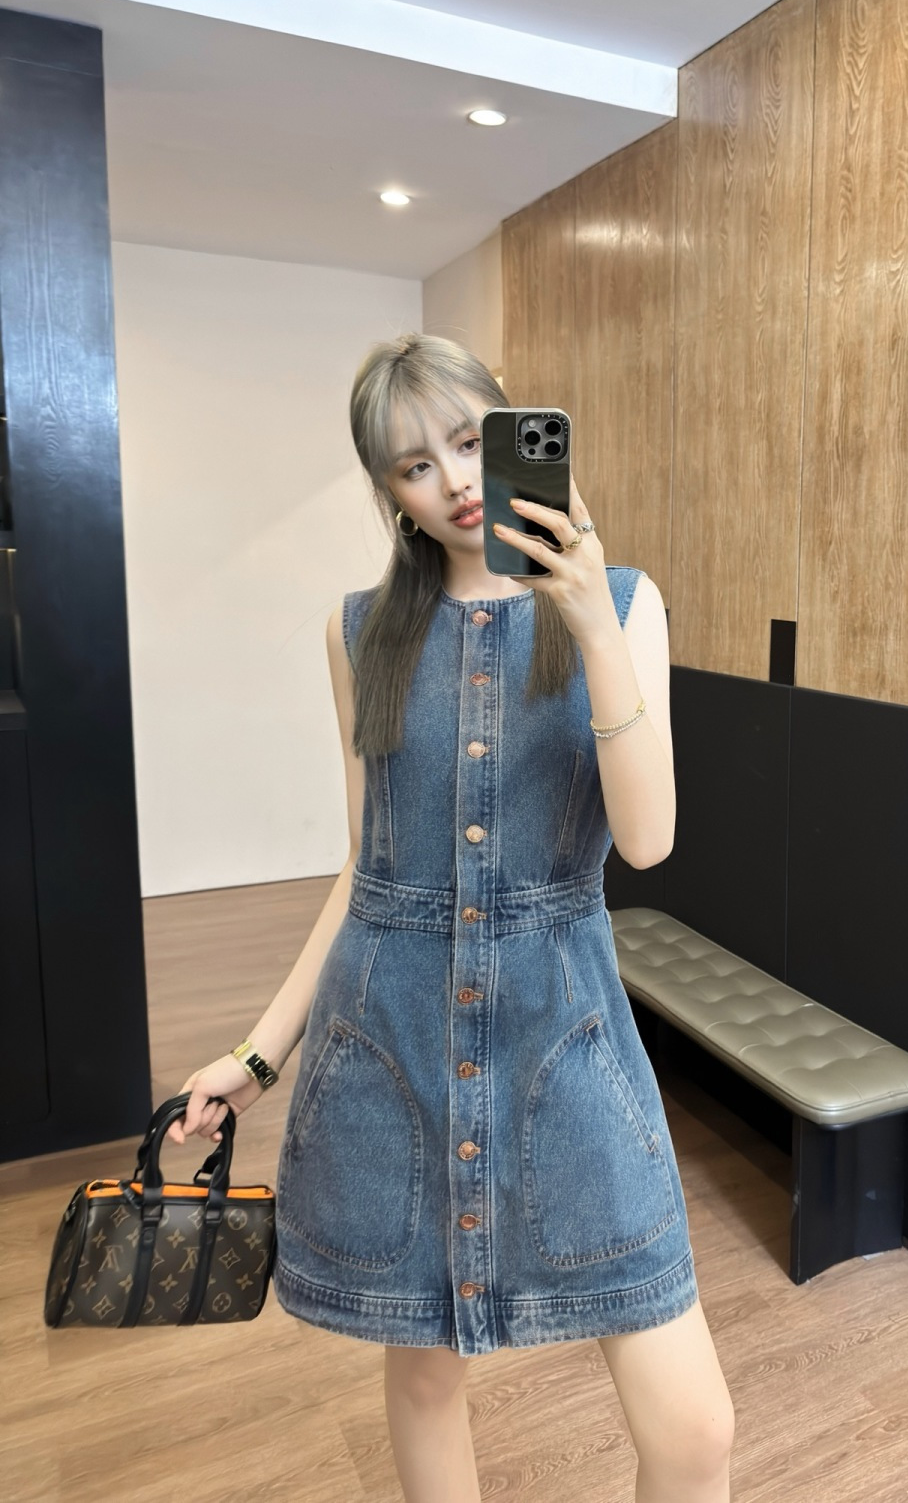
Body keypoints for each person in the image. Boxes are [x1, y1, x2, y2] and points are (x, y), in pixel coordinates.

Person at [169, 334, 735, 1502]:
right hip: (397, 1047)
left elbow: (647, 841)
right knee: (427, 1383)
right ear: (390, 492)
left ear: (513, 427)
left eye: (471, 441)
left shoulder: (626, 604)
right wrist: (256, 1057)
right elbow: (366, 870)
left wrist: (588, 623)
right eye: (414, 465)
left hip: (569, 1045)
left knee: (694, 1432)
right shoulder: (360, 632)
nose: (455, 480)